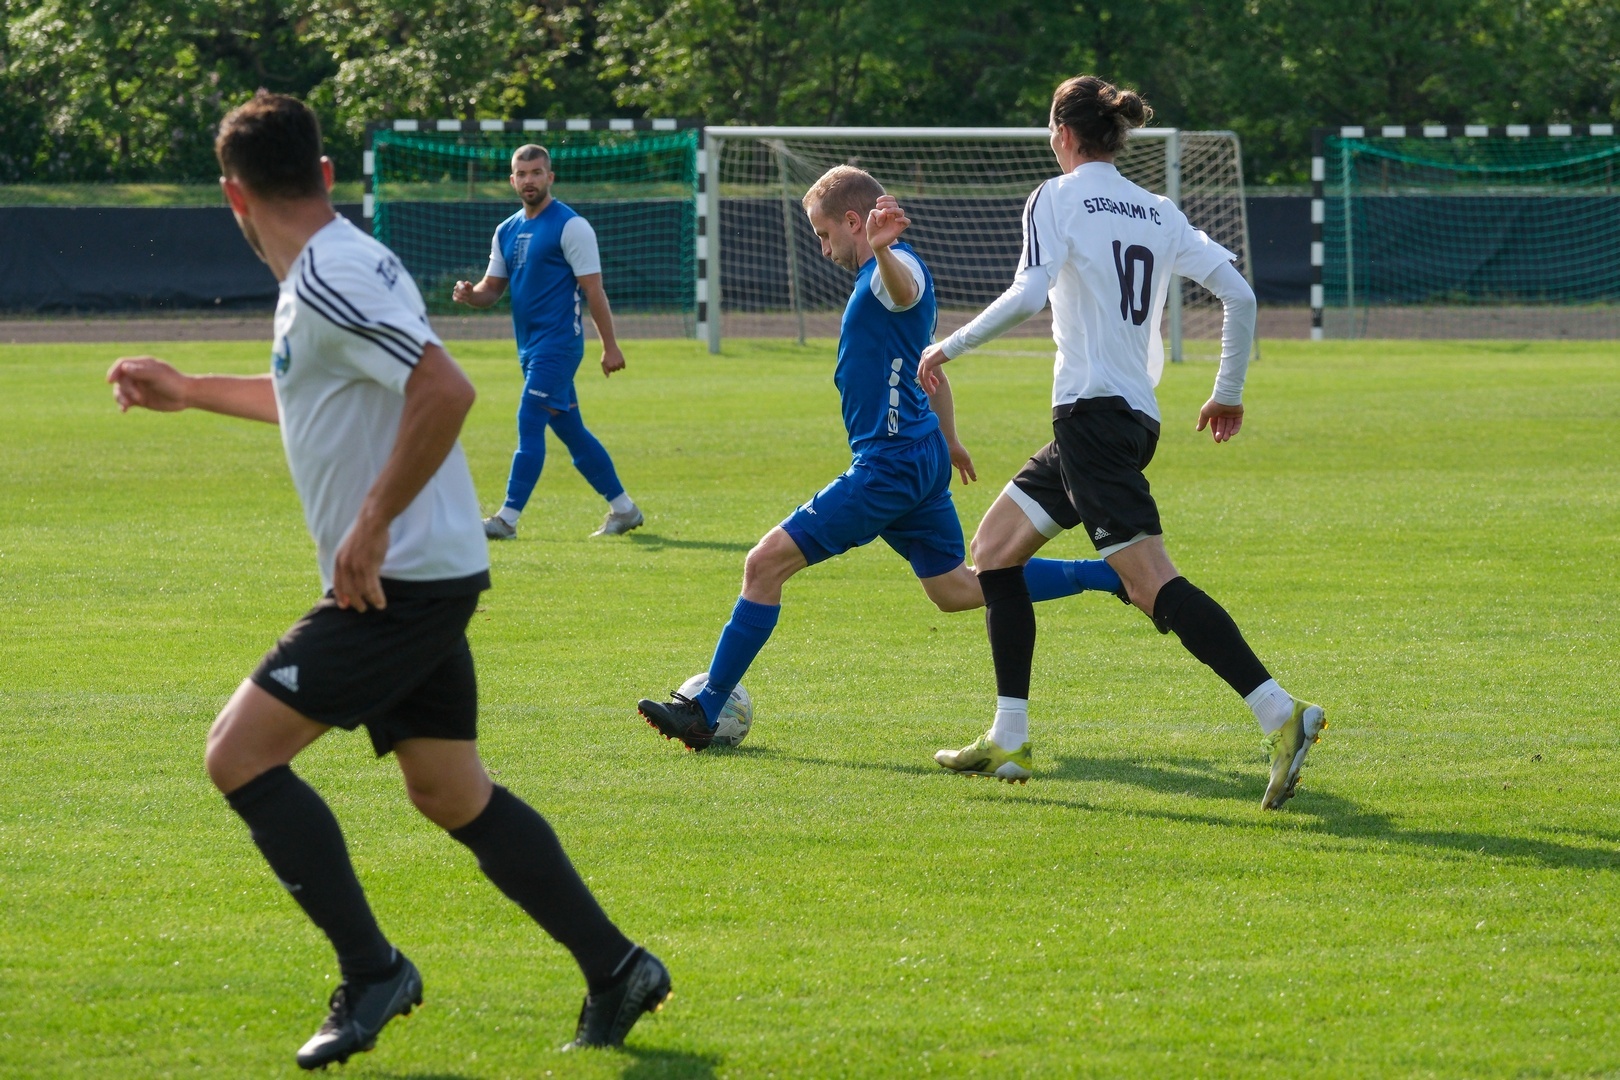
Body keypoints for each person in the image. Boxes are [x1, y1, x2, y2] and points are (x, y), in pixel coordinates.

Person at [106, 92, 669, 1070]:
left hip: (396, 581)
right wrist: (192, 391)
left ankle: (374, 971)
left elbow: (446, 388)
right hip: (428, 571)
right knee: (450, 791)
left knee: (237, 755)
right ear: (326, 174)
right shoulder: (341, 263)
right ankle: (617, 966)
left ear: (234, 195)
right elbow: (318, 396)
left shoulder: (329, 275)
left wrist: (368, 526)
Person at [918, 75, 1325, 808]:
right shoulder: (1158, 210)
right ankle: (1009, 735)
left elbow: (1029, 293)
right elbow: (1239, 294)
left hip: (1090, 420)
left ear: (1063, 134)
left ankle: (1280, 712)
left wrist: (947, 346)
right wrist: (1227, 391)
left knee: (1148, 583)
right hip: (1129, 421)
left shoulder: (1055, 196)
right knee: (995, 550)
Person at [636, 166, 1122, 757]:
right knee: (955, 589)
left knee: (764, 564)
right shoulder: (884, 271)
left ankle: (705, 709)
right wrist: (950, 439)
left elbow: (904, 291)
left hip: (888, 466)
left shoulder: (893, 269)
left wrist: (884, 250)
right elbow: (930, 369)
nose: (824, 249)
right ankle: (1106, 575)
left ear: (852, 221)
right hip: (917, 455)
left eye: (824, 234)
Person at [453, 145, 643, 540]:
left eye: (537, 172)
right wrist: (470, 295)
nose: (529, 180)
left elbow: (594, 291)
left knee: (529, 419)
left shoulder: (571, 226)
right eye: (522, 174)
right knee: (571, 431)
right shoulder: (506, 230)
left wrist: (609, 345)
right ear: (512, 180)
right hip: (529, 348)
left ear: (550, 177)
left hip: (559, 345)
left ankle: (506, 519)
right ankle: (624, 509)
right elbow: (492, 289)